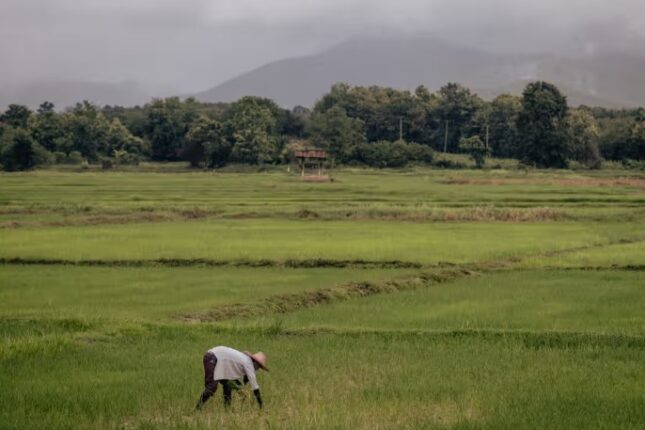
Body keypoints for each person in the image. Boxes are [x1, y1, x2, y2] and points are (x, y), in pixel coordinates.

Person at [195, 345, 268, 410]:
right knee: (212, 387)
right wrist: (261, 405)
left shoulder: (245, 359)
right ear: (255, 363)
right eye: (259, 366)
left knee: (228, 385)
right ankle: (197, 409)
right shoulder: (248, 364)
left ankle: (227, 409)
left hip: (217, 357)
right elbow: (255, 387)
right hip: (212, 357)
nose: (258, 369)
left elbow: (243, 379)